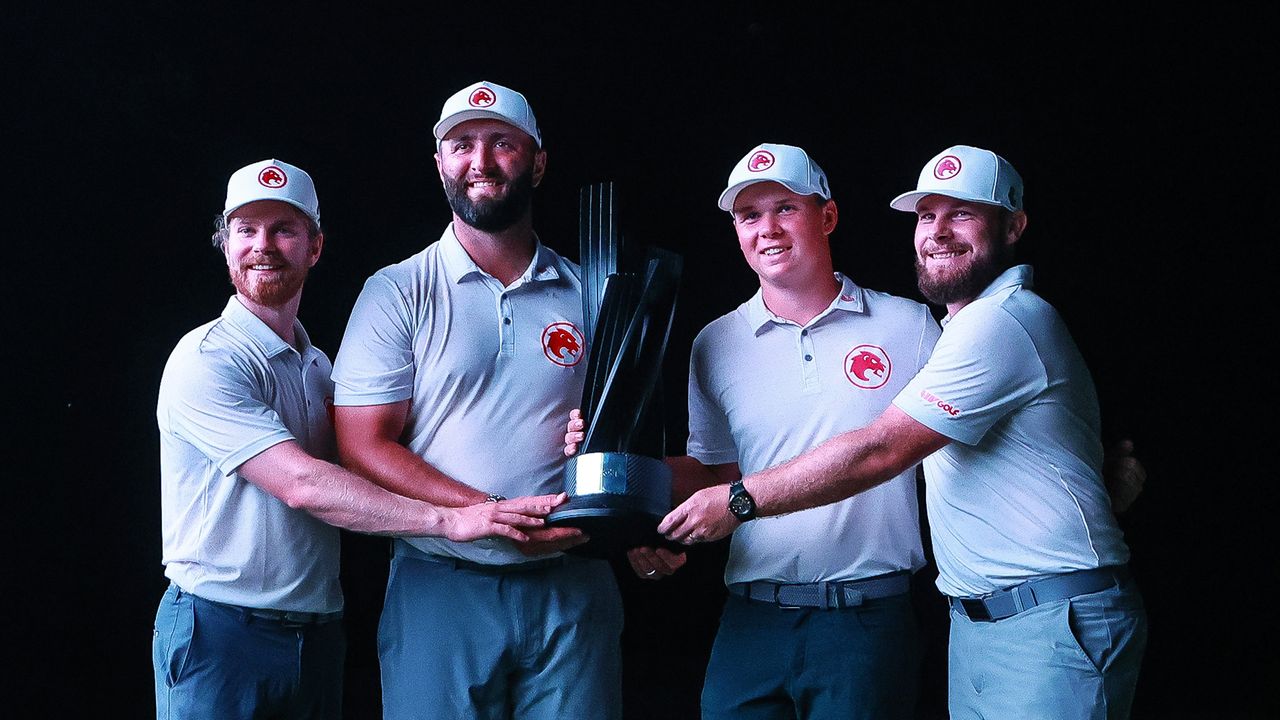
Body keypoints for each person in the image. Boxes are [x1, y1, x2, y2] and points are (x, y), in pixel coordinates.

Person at [660, 145, 1148, 719]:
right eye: (925, 216)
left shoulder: (964, 323)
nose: (938, 232)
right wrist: (634, 506)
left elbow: (885, 448)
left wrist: (739, 502)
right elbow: (715, 470)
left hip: (990, 615)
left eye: (962, 213)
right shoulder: (717, 343)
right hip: (957, 618)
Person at [153, 159, 563, 719]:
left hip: (316, 631)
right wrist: (451, 519)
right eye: (246, 231)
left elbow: (389, 453)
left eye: (284, 230)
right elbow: (303, 484)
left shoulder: (319, 367)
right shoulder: (206, 360)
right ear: (225, 245)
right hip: (222, 629)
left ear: (315, 247)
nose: (263, 246)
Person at [567, 143, 937, 719]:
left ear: (828, 216)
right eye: (748, 216)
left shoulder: (908, 326)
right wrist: (619, 473)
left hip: (866, 616)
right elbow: (716, 471)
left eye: (784, 208)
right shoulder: (716, 342)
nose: (767, 229)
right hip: (751, 616)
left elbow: (954, 441)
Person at [331, 81, 621, 720]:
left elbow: (620, 432)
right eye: (461, 144)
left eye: (502, 144)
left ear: (538, 161)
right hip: (443, 584)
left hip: (571, 584)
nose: (481, 162)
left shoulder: (592, 291)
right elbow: (360, 444)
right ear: (440, 162)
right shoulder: (398, 291)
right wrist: (491, 513)